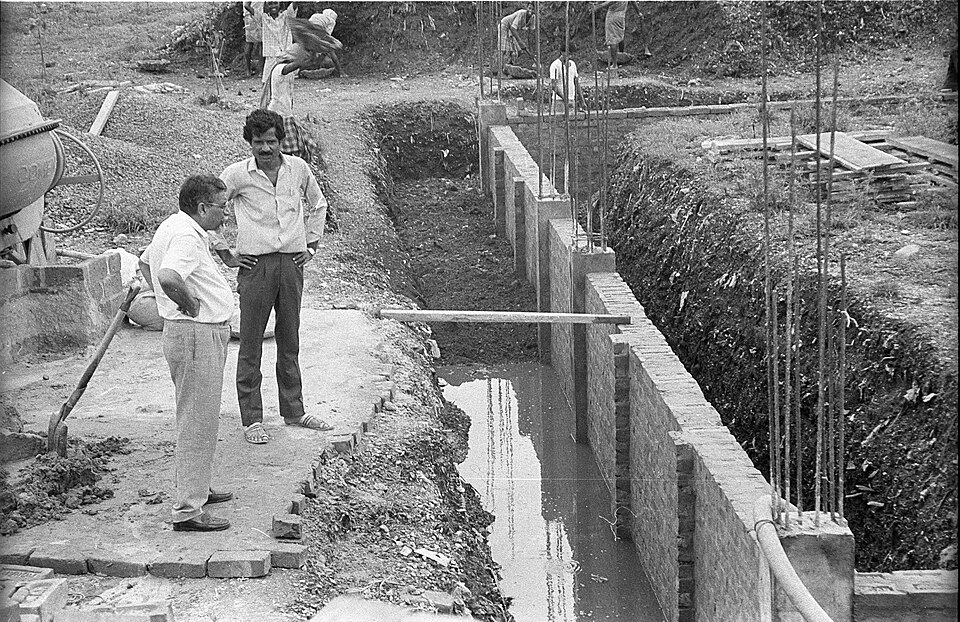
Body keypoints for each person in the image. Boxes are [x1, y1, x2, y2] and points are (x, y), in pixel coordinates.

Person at [219, 109, 331, 445]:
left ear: (281, 140)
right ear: (249, 144)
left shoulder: (298, 169)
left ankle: (294, 411)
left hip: (291, 264)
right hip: (254, 267)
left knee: (289, 339)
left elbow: (318, 204)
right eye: (258, 143)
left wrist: (310, 246)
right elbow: (208, 209)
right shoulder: (236, 175)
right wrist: (227, 254)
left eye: (271, 141)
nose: (265, 149)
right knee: (251, 343)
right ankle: (252, 419)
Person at [138, 175, 237, 532]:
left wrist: (168, 306)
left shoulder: (176, 225)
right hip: (196, 333)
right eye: (222, 208)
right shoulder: (185, 236)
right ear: (202, 207)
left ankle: (198, 489)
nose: (225, 216)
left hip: (192, 334)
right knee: (197, 420)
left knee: (200, 414)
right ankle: (188, 510)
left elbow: (144, 263)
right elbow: (166, 276)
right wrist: (188, 304)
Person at [593, 0, 647, 79]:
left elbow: (611, 1)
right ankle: (621, 54)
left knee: (612, 39)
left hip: (612, 16)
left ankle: (614, 64)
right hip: (621, 16)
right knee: (620, 36)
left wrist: (598, 6)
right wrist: (638, 12)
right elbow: (633, 1)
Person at [261, 1, 296, 85]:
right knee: (266, 82)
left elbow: (295, 4)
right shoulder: (263, 18)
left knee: (286, 83)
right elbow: (248, 6)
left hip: (286, 55)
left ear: (279, 3)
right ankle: (268, 98)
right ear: (266, 4)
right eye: (270, 3)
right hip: (271, 55)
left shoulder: (287, 15)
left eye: (275, 3)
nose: (273, 6)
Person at [497, 4, 535, 74]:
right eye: (529, 8)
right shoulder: (521, 13)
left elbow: (531, 34)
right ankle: (500, 71)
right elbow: (513, 28)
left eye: (532, 9)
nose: (530, 11)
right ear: (527, 8)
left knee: (515, 51)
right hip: (505, 26)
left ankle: (508, 69)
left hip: (512, 30)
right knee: (503, 50)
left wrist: (530, 50)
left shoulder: (533, 18)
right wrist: (520, 42)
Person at [241, 1, 264, 78]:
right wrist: (255, 14)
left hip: (250, 16)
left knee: (249, 43)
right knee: (260, 44)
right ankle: (260, 71)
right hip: (254, 16)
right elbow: (246, 5)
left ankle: (248, 71)